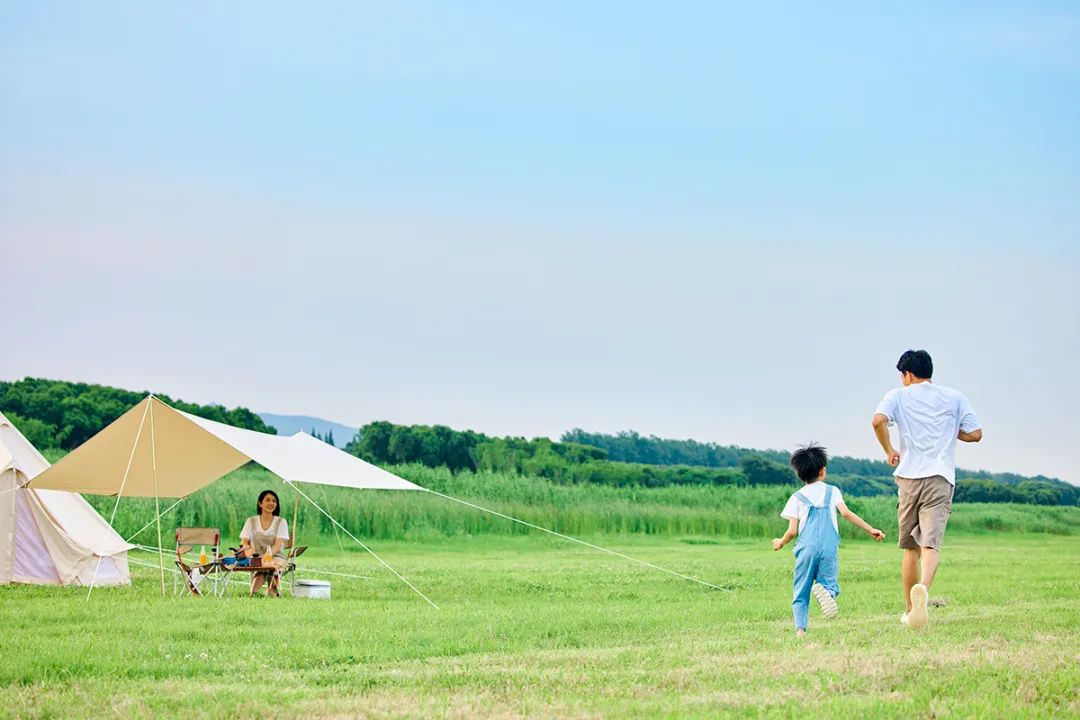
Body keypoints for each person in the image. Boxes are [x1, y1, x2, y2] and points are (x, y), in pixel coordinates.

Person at [872, 349, 982, 629]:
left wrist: (889, 450)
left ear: (907, 374)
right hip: (941, 476)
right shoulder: (954, 397)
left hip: (908, 477)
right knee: (930, 544)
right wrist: (949, 430)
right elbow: (976, 434)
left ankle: (910, 610)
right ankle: (923, 587)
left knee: (910, 548)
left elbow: (877, 421)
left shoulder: (897, 395)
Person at [773, 444, 885, 637]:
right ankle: (828, 595)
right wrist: (870, 529)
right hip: (828, 546)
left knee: (801, 589)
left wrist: (781, 542)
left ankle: (800, 630)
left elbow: (791, 531)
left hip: (806, 548)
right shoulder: (832, 491)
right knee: (829, 583)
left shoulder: (796, 497)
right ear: (823, 471)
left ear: (799, 474)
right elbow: (846, 513)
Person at [240, 489, 290, 597]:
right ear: (260, 503)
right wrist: (252, 556)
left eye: (274, 501)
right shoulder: (251, 521)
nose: (271, 503)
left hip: (276, 556)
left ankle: (273, 591)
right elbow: (244, 542)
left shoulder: (281, 522)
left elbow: (277, 545)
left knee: (272, 568)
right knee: (261, 570)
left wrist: (266, 558)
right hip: (256, 556)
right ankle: (252, 594)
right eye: (267, 500)